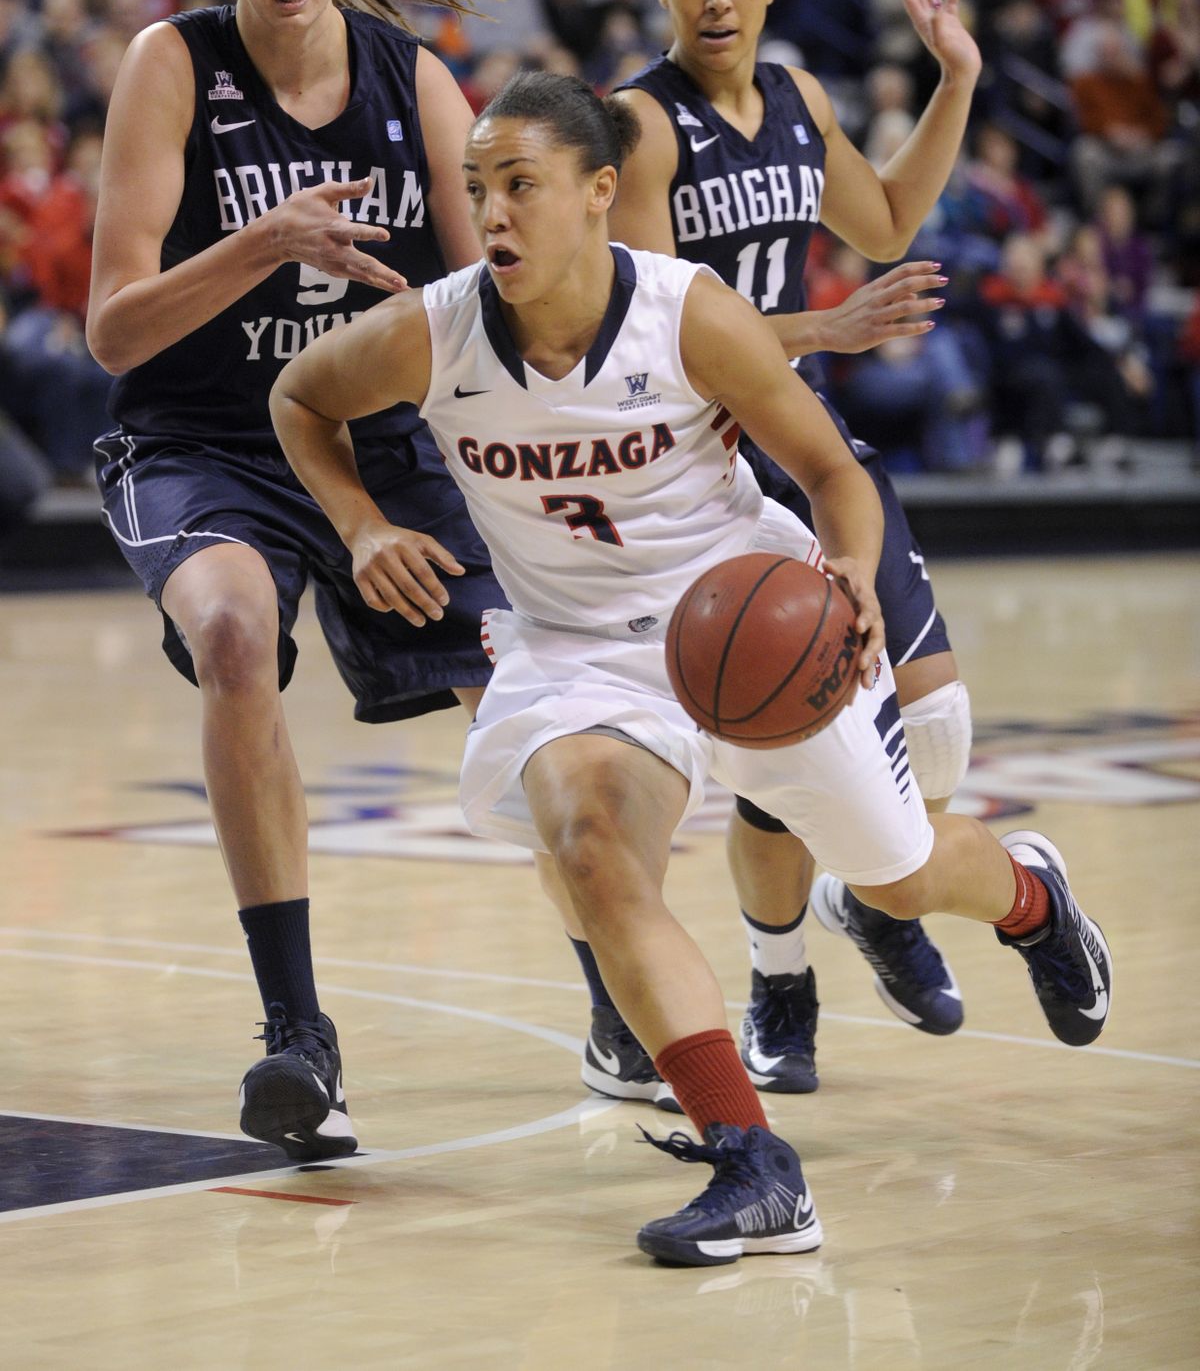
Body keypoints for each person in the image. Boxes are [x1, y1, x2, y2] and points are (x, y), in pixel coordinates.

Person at [269, 71, 1111, 1266]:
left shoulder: (688, 312)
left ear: (600, 192)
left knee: (902, 874)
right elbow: (300, 394)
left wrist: (855, 570)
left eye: (520, 185)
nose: (492, 213)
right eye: (476, 190)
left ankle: (1032, 896)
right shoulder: (437, 328)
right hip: (580, 652)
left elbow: (832, 471)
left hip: (747, 620)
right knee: (592, 843)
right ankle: (754, 1160)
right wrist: (358, 524)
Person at [543, 0, 984, 1107]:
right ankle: (777, 976)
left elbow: (889, 219)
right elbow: (654, 332)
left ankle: (870, 894)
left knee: (940, 727)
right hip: (697, 463)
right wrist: (825, 328)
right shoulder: (639, 124)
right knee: (775, 726)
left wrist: (953, 78)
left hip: (805, 441)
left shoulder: (800, 100)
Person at [85, 0, 510, 1163]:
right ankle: (298, 1038)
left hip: (372, 440)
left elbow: (483, 291)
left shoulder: (413, 78)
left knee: (530, 683)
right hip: (206, 437)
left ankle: (626, 1000)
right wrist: (264, 241)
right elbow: (112, 328)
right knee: (229, 637)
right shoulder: (175, 65)